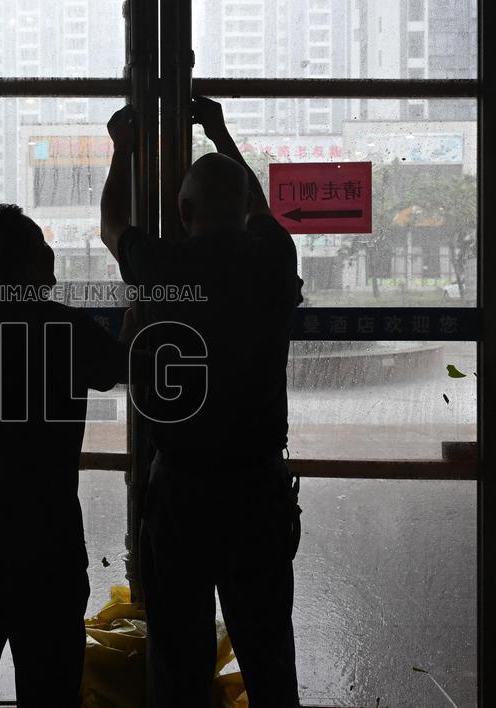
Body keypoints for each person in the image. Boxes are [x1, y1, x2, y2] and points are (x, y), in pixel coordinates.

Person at [99, 97, 305, 707]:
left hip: (182, 494)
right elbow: (261, 211)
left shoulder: (164, 266)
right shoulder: (272, 259)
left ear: (182, 211)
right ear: (244, 208)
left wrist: (122, 150)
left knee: (178, 659)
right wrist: (218, 133)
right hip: (256, 490)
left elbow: (112, 225)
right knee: (268, 654)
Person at [0, 204, 136, 707]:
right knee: (48, 679)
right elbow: (126, 365)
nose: (51, 253)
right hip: (44, 539)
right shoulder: (65, 328)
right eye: (41, 246)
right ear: (24, 266)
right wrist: (139, 312)